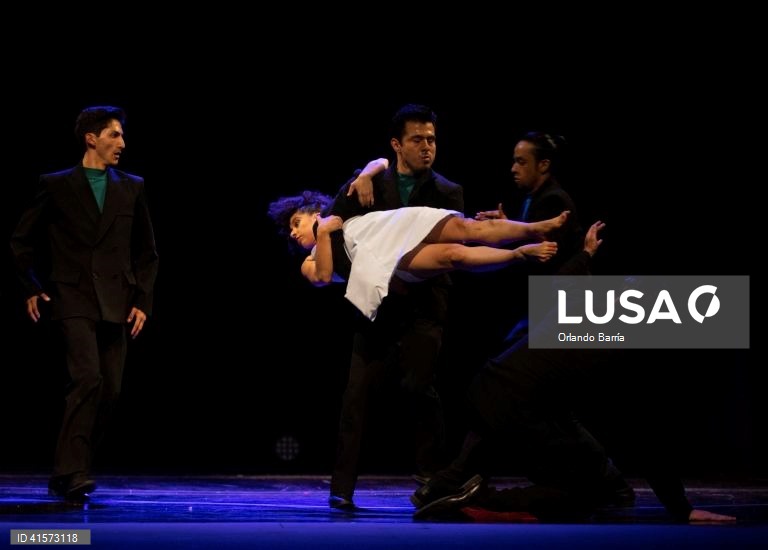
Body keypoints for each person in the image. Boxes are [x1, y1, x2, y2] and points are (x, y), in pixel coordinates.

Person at [410, 227, 735, 524]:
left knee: (586, 458)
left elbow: (564, 281)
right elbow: (645, 435)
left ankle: (443, 487)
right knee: (589, 490)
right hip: (517, 407)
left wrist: (586, 255)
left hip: (491, 386)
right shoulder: (625, 344)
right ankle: (482, 501)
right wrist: (682, 508)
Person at [9, 106, 159, 501]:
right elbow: (20, 241)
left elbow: (148, 252)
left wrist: (143, 299)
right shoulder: (56, 184)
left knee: (109, 389)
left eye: (122, 136)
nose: (122, 143)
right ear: (91, 138)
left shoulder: (132, 186)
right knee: (87, 378)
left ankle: (68, 469)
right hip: (71, 296)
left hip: (117, 298)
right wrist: (30, 286)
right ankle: (73, 471)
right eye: (114, 135)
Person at [323, 104, 463, 509]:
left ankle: (431, 478)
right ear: (397, 144)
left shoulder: (447, 191)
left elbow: (452, 247)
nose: (426, 147)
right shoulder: (368, 184)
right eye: (418, 139)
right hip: (376, 309)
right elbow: (336, 233)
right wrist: (365, 174)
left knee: (420, 386)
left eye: (432, 139)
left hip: (424, 305)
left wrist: (408, 277)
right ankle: (341, 488)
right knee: (356, 394)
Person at [268, 180, 566, 320]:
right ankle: (518, 253)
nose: (294, 232)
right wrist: (322, 233)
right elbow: (322, 276)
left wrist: (365, 174)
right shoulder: (309, 260)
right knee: (454, 256)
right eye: (291, 232)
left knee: (467, 229)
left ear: (314, 209)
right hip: (386, 259)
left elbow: (378, 164)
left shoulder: (337, 205)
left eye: (296, 222)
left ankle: (535, 227)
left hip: (392, 225)